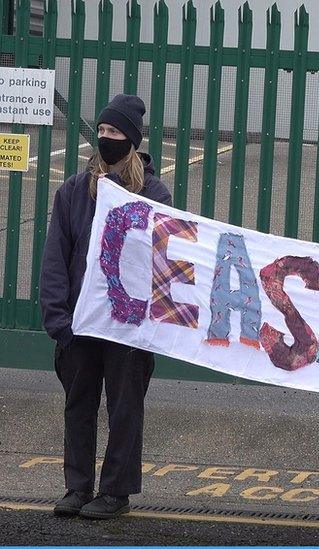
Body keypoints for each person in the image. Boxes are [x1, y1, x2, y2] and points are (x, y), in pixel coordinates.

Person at [40, 94, 172, 520]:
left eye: (114, 132)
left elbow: (164, 261)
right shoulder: (75, 191)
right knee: (78, 407)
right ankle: (77, 487)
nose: (105, 138)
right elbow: (56, 257)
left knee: (125, 409)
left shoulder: (153, 194)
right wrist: (59, 321)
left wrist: (150, 323)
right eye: (101, 131)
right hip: (81, 323)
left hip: (127, 328)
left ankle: (116, 492)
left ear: (131, 141)